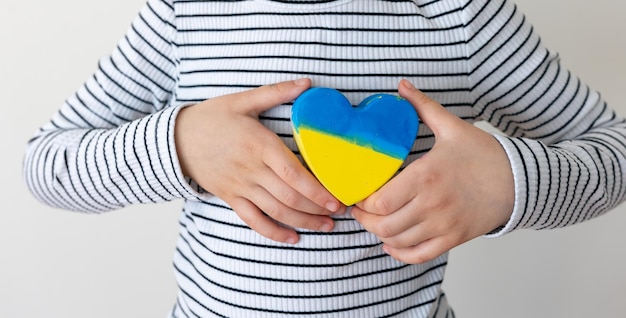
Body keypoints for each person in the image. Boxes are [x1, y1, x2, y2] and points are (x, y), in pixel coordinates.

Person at [23, 0, 626, 317]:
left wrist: (507, 183)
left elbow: (614, 148)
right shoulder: (188, 12)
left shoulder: (463, 15)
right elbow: (46, 164)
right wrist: (179, 143)